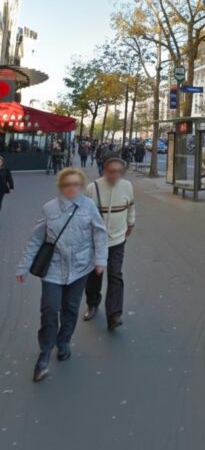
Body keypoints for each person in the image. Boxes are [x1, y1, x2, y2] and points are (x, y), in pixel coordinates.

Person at [16, 166, 108, 382]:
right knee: (49, 310)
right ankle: (45, 353)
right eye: (67, 184)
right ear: (61, 186)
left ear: (82, 186)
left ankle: (64, 340)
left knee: (71, 308)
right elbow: (36, 239)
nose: (72, 188)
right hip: (54, 268)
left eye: (76, 184)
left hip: (80, 267)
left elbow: (100, 234)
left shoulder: (89, 207)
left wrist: (100, 260)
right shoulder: (49, 209)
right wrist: (23, 266)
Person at [83, 154, 135, 331]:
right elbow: (85, 215)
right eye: (112, 171)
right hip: (96, 242)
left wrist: (131, 222)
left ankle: (114, 315)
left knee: (115, 275)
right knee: (94, 276)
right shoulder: (93, 188)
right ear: (105, 171)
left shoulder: (127, 186)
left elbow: (131, 205)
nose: (115, 175)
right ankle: (92, 303)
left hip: (118, 239)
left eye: (119, 172)